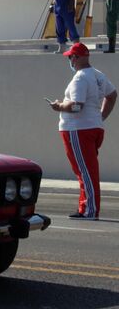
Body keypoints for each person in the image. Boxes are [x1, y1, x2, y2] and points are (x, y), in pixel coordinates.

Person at [48, 43, 117, 220]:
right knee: (85, 170)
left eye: (71, 57)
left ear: (77, 58)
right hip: (91, 127)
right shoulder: (98, 75)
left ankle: (89, 210)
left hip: (78, 129)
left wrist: (58, 107)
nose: (70, 60)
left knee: (85, 171)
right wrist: (100, 117)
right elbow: (112, 95)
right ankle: (85, 207)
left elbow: (77, 106)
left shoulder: (80, 78)